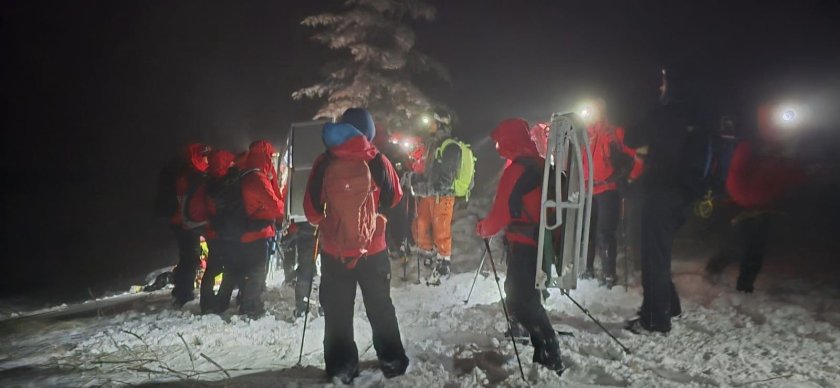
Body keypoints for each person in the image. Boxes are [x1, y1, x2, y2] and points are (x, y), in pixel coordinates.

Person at [304, 109, 408, 384]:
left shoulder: (324, 162)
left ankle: (341, 367)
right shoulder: (376, 159)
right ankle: (393, 361)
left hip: (334, 252)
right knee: (380, 307)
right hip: (373, 250)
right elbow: (395, 197)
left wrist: (330, 223)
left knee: (338, 311)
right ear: (368, 132)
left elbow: (312, 212)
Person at [475, 118, 564, 375]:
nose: (498, 147)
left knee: (521, 300)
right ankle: (539, 346)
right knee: (522, 294)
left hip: (525, 244)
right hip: (542, 242)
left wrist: (483, 228)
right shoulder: (540, 164)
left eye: (500, 142)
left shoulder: (517, 170)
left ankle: (549, 351)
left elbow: (499, 214)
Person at [623, 67, 708, 334]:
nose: (660, 87)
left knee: (652, 257)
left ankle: (654, 321)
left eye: (663, 83)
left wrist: (651, 108)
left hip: (661, 190)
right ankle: (669, 306)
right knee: (661, 253)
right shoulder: (699, 114)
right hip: (685, 194)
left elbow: (632, 136)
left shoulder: (665, 113)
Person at [704, 105, 804, 292]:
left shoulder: (785, 150)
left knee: (755, 250)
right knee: (739, 246)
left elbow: (789, 176)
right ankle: (715, 269)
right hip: (745, 204)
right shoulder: (752, 146)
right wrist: (745, 199)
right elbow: (736, 174)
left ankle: (744, 287)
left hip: (766, 206)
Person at [581, 99, 643, 288]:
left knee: (604, 233)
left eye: (592, 110)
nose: (589, 114)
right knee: (586, 232)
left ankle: (609, 274)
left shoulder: (615, 133)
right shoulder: (586, 135)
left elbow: (637, 156)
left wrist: (631, 177)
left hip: (608, 189)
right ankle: (587, 269)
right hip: (587, 190)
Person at [224, 140, 285, 318]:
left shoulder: (246, 174)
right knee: (257, 271)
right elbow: (276, 206)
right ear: (265, 156)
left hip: (245, 232)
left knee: (249, 271)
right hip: (256, 233)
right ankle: (251, 308)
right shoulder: (258, 179)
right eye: (271, 156)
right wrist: (284, 208)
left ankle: (245, 301)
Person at [411, 112, 461, 277]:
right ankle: (429, 254)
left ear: (441, 124)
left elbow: (445, 181)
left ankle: (443, 263)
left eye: (433, 123)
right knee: (421, 224)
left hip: (443, 196)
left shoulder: (450, 147)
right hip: (430, 194)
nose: (429, 126)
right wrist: (415, 179)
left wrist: (423, 189)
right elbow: (429, 172)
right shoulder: (433, 144)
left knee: (441, 230)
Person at [161, 143, 211, 307]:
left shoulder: (184, 173)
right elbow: (188, 203)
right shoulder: (190, 176)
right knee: (190, 258)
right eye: (204, 156)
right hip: (185, 223)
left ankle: (181, 291)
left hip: (182, 222)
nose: (207, 159)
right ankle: (183, 293)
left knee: (188, 257)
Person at [197, 149, 236, 314]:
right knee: (230, 268)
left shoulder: (207, 181)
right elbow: (227, 209)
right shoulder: (225, 183)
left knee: (212, 267)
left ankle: (206, 303)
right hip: (224, 233)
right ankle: (221, 303)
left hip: (211, 231)